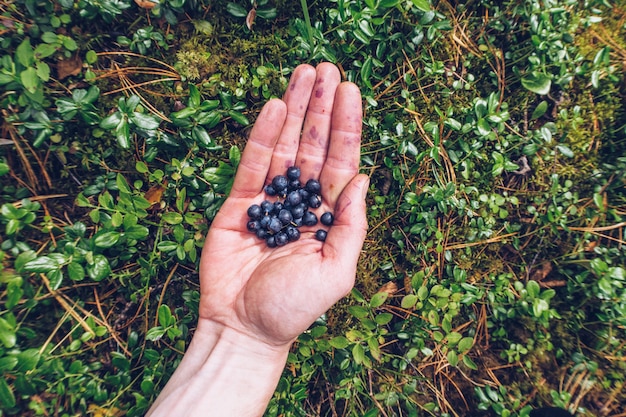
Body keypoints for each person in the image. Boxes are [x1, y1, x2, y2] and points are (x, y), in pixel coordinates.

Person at [146, 62, 370, 416]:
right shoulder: (285, 211)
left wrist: (248, 337)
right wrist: (248, 339)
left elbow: (294, 210)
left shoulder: (294, 210)